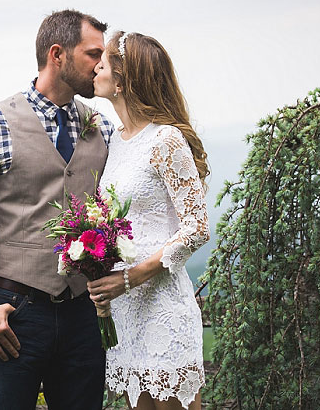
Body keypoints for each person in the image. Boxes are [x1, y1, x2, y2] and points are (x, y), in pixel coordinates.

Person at [0, 9, 115, 410]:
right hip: (13, 313)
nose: (102, 64)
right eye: (93, 54)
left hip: (83, 314)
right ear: (57, 54)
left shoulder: (103, 128)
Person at [87, 31, 210, 410]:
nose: (95, 68)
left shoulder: (167, 140)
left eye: (103, 63)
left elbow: (197, 227)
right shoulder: (118, 140)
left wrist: (133, 276)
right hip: (125, 312)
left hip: (160, 302)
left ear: (122, 81)